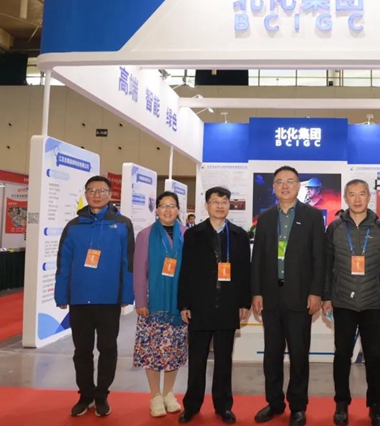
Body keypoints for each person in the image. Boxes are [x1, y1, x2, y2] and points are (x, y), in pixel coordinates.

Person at [251, 165, 326, 426]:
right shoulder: (265, 217)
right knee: (272, 354)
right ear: (273, 187)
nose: (285, 186)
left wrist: (316, 292)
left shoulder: (312, 216)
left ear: (298, 186)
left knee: (298, 354)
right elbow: (257, 258)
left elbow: (319, 258)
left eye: (290, 181)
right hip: (270, 297)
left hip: (300, 297)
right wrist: (256, 291)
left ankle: (298, 406)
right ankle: (274, 402)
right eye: (280, 182)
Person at [54, 175, 134, 417]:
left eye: (102, 191)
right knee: (82, 350)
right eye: (92, 190)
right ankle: (85, 394)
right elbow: (63, 261)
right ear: (86, 194)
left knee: (108, 348)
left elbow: (128, 262)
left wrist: (127, 294)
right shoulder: (73, 226)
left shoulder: (122, 224)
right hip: (79, 299)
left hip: (109, 300)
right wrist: (61, 294)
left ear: (110, 194)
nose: (97, 195)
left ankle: (101, 396)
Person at [322, 179, 380, 426]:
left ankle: (375, 405)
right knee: (342, 355)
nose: (357, 199)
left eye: (361, 194)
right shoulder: (334, 228)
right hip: (342, 302)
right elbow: (327, 266)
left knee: (373, 356)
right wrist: (327, 297)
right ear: (345, 197)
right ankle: (341, 404)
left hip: (373, 303)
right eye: (352, 194)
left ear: (368, 197)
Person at [178, 187, 251, 424]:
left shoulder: (239, 235)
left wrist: (244, 302)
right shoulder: (194, 234)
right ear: (206, 205)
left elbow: (245, 273)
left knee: (223, 361)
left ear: (229, 205)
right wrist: (184, 303)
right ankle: (191, 406)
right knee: (197, 360)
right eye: (215, 202)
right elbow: (186, 271)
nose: (220, 206)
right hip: (200, 306)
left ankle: (223, 406)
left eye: (224, 201)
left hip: (228, 305)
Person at [133, 191, 187, 418]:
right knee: (152, 351)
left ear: (178, 209)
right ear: (156, 210)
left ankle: (168, 393)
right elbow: (139, 271)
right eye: (163, 206)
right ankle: (155, 396)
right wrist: (140, 300)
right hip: (152, 303)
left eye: (172, 205)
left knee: (174, 350)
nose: (168, 210)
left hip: (178, 304)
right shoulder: (145, 235)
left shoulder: (187, 234)